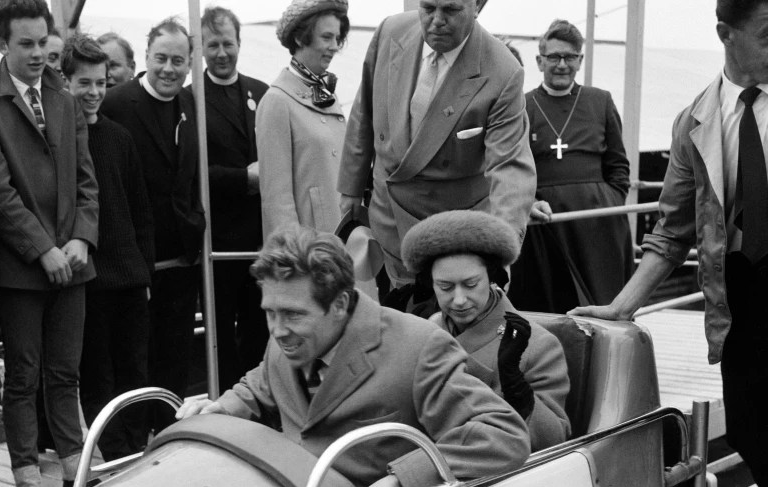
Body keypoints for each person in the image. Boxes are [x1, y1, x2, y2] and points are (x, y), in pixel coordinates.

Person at [573, 0, 768, 487]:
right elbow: (672, 230)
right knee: (750, 428)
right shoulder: (696, 120)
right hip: (742, 297)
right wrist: (622, 306)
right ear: (726, 33)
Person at [176, 226, 530, 487]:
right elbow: (263, 383)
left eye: (293, 315)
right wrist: (222, 408)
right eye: (270, 313)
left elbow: (502, 434)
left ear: (341, 304)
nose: (278, 330)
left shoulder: (419, 348)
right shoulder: (288, 338)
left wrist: (401, 482)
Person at [0, 0, 99, 487]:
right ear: (2, 44)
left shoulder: (63, 99)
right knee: (23, 376)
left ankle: (73, 474)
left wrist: (83, 239)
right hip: (22, 269)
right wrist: (43, 249)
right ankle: (25, 485)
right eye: (27, 44)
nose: (40, 53)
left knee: (65, 373)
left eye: (44, 42)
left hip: (74, 262)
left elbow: (87, 179)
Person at [336, 0, 536, 297]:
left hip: (450, 241)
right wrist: (350, 190)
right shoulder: (390, 31)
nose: (436, 21)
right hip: (386, 220)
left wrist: (498, 250)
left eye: (451, 10)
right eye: (428, 8)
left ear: (478, 4)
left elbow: (510, 168)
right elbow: (363, 112)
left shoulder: (503, 71)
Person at [101, 18, 205, 413]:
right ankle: (131, 445)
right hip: (133, 261)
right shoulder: (116, 104)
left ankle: (168, 436)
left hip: (180, 256)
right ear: (146, 56)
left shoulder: (190, 103)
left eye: (178, 61)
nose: (169, 68)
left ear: (189, 62)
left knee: (174, 359)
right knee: (132, 363)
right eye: (161, 58)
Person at [402, 211, 571, 451]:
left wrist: (516, 386)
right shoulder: (430, 328)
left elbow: (554, 440)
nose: (459, 300)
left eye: (471, 285)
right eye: (445, 287)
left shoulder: (538, 344)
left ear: (492, 278)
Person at [62, 34, 154, 461]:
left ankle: (137, 445)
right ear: (66, 83)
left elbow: (140, 210)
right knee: (97, 373)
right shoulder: (59, 141)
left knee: (135, 369)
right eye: (85, 83)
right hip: (91, 280)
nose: (95, 92)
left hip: (130, 277)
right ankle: (114, 454)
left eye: (101, 82)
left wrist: (145, 272)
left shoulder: (119, 138)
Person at [508, 19, 633, 314]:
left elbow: (618, 165)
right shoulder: (522, 106)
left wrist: (610, 200)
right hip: (545, 224)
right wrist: (531, 202)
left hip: (597, 224)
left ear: (580, 60)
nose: (562, 64)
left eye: (569, 57)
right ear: (540, 61)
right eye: (553, 57)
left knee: (603, 304)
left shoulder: (599, 101)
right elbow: (515, 164)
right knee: (548, 305)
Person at [186, 5, 269, 387]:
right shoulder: (190, 100)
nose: (222, 53)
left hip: (260, 238)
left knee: (260, 327)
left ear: (240, 44)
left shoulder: (263, 93)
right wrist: (242, 179)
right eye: (213, 44)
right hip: (216, 241)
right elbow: (188, 171)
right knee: (219, 334)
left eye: (228, 44)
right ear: (200, 48)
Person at [257, 0, 349, 240]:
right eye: (326, 37)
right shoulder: (277, 101)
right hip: (309, 252)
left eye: (337, 38)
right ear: (300, 38)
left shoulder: (328, 95)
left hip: (342, 241)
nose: (334, 46)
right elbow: (277, 201)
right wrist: (294, 261)